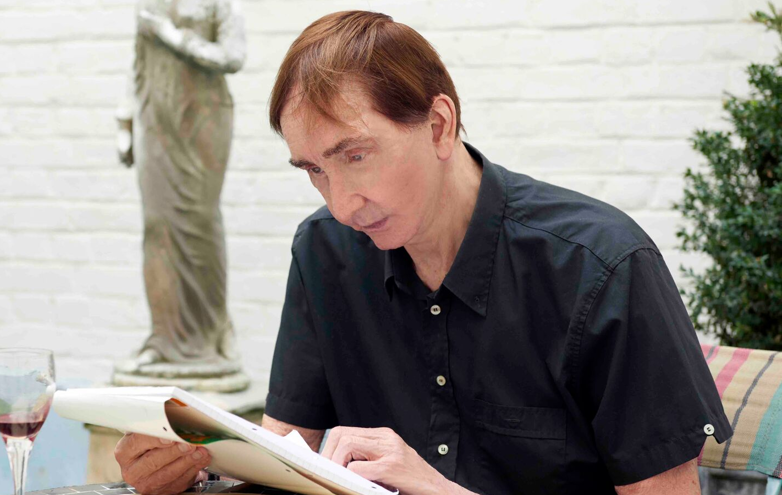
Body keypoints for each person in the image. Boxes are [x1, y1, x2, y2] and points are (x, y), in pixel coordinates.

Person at [114, 10, 731, 495]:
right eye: (314, 170)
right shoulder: (326, 251)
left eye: (355, 156)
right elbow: (282, 458)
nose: (342, 203)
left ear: (439, 125)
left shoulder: (601, 269)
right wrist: (194, 470)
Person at [113, 0, 248, 387]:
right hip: (155, 117)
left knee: (199, 223)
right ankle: (164, 338)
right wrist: (123, 122)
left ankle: (209, 336)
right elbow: (137, 63)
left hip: (203, 117)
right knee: (157, 226)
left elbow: (233, 55)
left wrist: (173, 36)